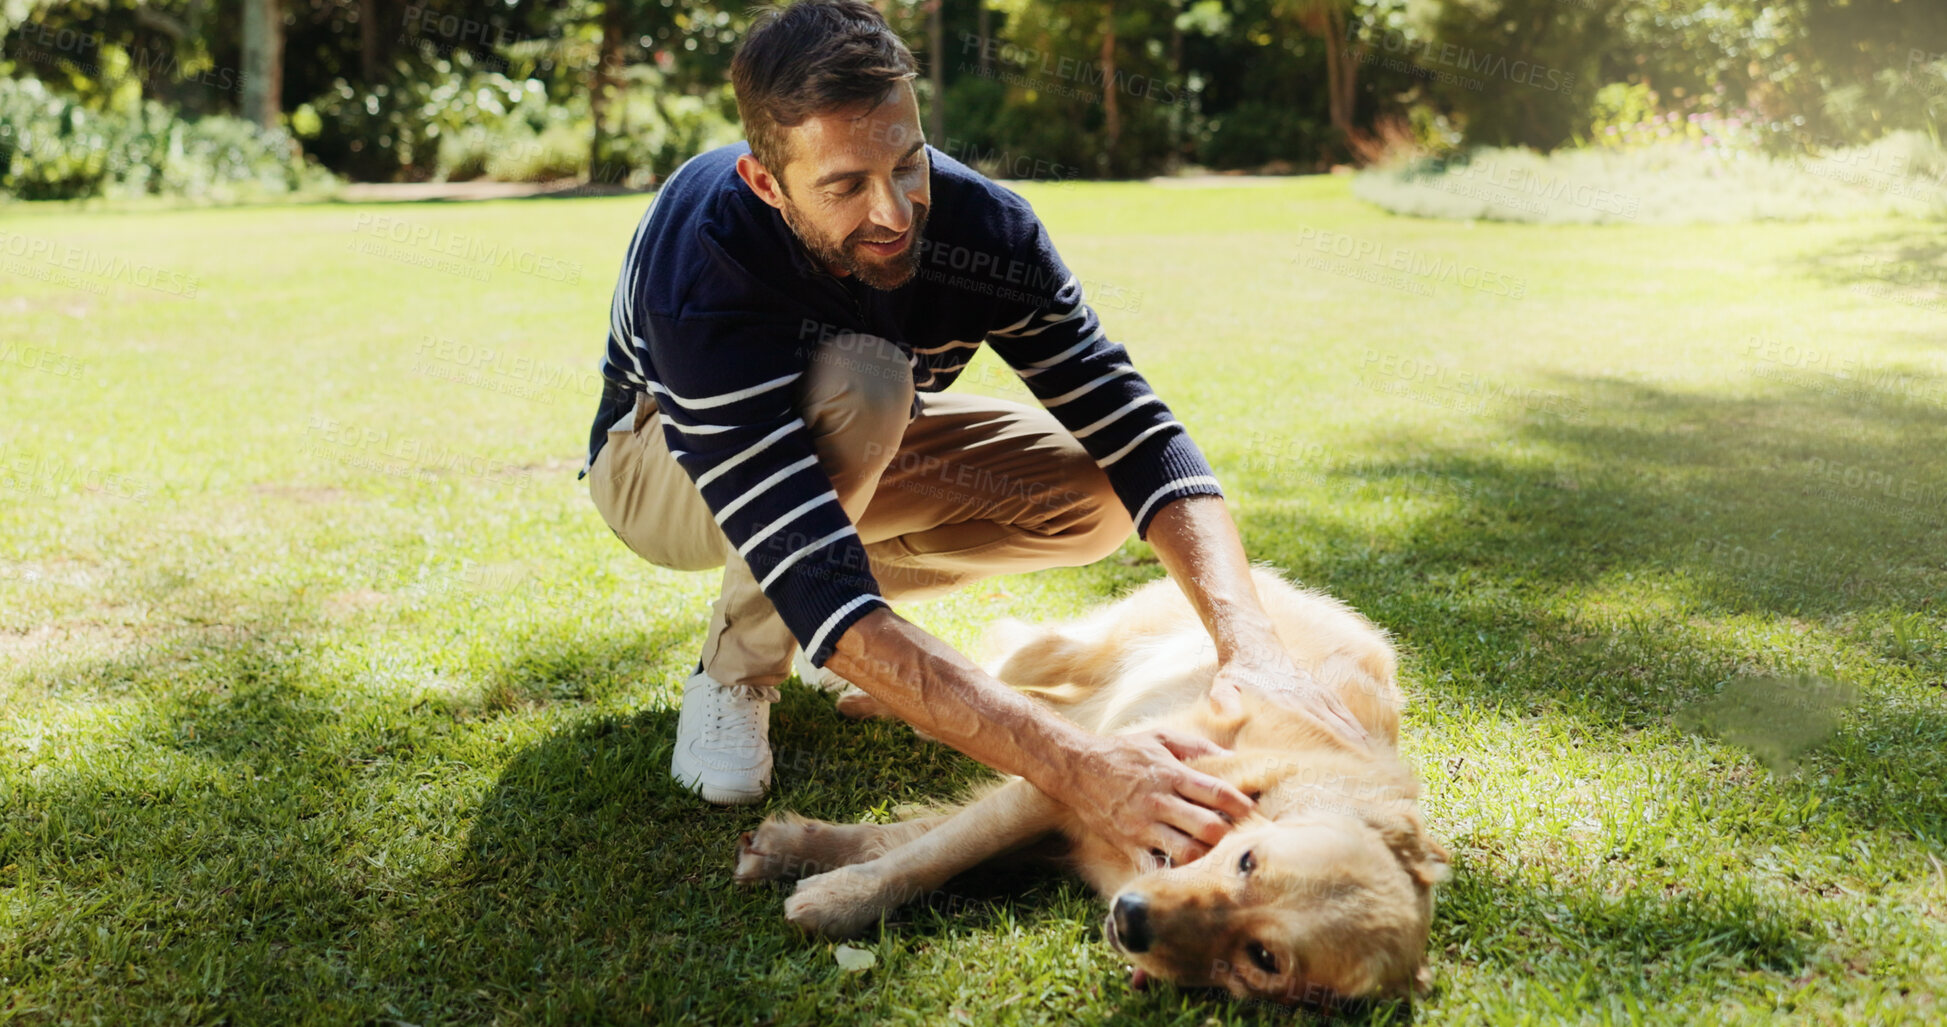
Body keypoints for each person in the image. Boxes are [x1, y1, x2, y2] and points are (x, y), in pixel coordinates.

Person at [583, 0, 1366, 868]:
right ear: (767, 183)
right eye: (844, 185)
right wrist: (1084, 765)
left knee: (1097, 495)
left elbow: (1136, 431)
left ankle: (851, 617)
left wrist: (1253, 647)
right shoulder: (709, 268)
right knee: (867, 387)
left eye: (907, 162)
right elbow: (817, 571)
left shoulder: (982, 225)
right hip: (653, 462)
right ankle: (737, 671)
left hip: (853, 437)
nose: (892, 211)